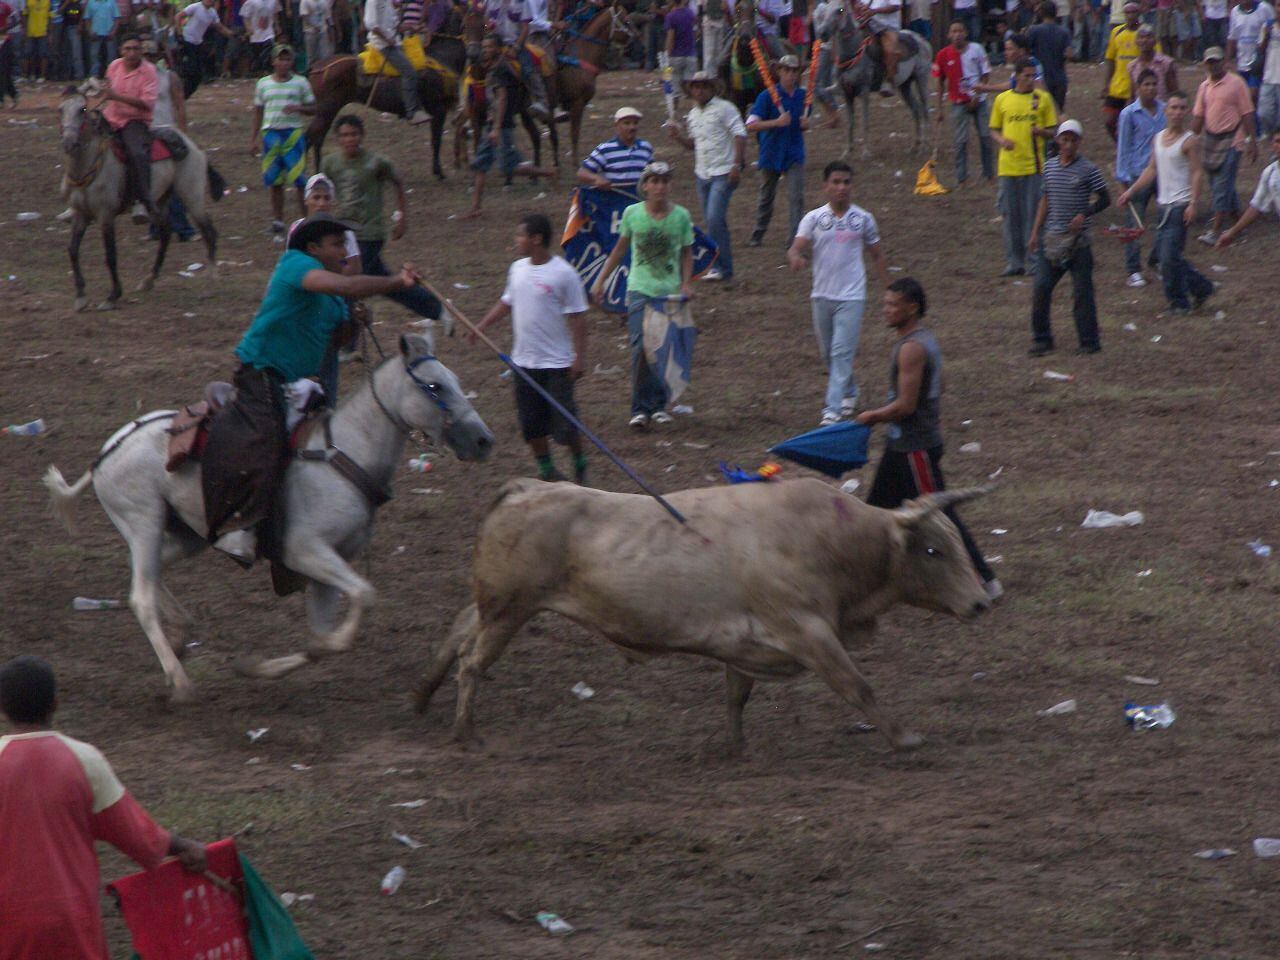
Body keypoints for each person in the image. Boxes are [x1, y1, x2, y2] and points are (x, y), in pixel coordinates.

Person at [202, 214, 421, 562]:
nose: (344, 251)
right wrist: (395, 283)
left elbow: (336, 341)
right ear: (314, 247)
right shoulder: (295, 264)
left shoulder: (332, 298)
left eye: (344, 244)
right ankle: (241, 527)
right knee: (269, 437)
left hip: (297, 382)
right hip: (261, 371)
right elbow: (346, 286)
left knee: (321, 445)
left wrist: (355, 323)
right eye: (336, 244)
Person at [0, 655, 209, 959]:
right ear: (55, 704)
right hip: (70, 921)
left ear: (3, 707)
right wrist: (183, 847)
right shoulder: (84, 760)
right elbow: (139, 837)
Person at [855, 278, 1003, 602]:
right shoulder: (922, 341)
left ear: (912, 307)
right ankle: (863, 580)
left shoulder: (912, 348)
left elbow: (906, 406)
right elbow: (940, 385)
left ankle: (983, 580)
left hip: (915, 449)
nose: (886, 311)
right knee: (874, 514)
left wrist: (873, 416)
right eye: (885, 304)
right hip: (901, 446)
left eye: (893, 305)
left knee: (940, 517)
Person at [471, 213, 590, 483]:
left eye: (520, 235)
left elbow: (579, 318)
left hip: (557, 363)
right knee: (531, 424)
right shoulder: (517, 269)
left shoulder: (563, 274)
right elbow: (507, 302)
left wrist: (579, 359)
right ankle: (547, 469)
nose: (516, 241)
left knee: (565, 425)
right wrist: (482, 326)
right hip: (524, 362)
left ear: (536, 239)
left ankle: (579, 462)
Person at [590, 161, 695, 430]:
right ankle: (639, 408)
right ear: (645, 186)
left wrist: (686, 283)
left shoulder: (681, 216)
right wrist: (601, 280)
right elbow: (619, 249)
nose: (660, 187)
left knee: (662, 349)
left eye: (664, 181)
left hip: (668, 292)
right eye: (654, 181)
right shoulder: (632, 214)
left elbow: (686, 252)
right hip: (639, 289)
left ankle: (658, 405)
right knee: (639, 349)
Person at [321, 114, 445, 327]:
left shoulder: (376, 162)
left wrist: (401, 217)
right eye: (344, 135)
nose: (350, 139)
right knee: (384, 282)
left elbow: (398, 183)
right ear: (338, 139)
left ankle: (349, 339)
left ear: (362, 136)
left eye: (354, 134)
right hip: (345, 233)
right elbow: (324, 193)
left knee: (351, 283)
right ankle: (436, 309)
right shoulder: (330, 163)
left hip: (370, 232)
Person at [788, 160, 888, 426]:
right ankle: (850, 391)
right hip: (821, 295)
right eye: (836, 182)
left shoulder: (863, 219)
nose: (841, 188)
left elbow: (877, 254)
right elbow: (796, 247)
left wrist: (889, 290)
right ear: (825, 186)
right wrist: (796, 256)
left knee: (841, 352)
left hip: (852, 296)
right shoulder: (814, 219)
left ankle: (831, 410)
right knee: (828, 353)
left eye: (846, 182)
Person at [1120, 91, 1215, 311]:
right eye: (1174, 108)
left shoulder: (1189, 141)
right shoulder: (1159, 138)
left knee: (1168, 258)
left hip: (1179, 206)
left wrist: (1193, 202)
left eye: (1182, 108)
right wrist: (1131, 191)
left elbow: (1197, 172)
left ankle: (1179, 303)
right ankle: (1202, 287)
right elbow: (1152, 169)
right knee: (1164, 259)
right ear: (1166, 111)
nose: (1178, 113)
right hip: (1164, 206)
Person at [1027, 119, 1110, 356]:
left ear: (1079, 143)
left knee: (1082, 292)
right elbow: (1045, 200)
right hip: (1052, 238)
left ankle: (1089, 341)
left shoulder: (1089, 169)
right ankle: (1042, 338)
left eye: (1073, 141)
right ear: (1058, 140)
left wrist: (1085, 214)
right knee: (1041, 288)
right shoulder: (1050, 168)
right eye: (1065, 140)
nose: (1068, 145)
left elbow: (1104, 199)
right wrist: (1035, 232)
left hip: (1078, 243)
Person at [462, 33, 556, 219]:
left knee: (508, 167)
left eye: (490, 47)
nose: (486, 50)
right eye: (485, 47)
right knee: (480, 165)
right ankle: (475, 208)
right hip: (494, 125)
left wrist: (496, 127)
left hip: (501, 127)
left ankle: (549, 172)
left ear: (499, 48)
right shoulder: (495, 68)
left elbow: (503, 98)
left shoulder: (500, 70)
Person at [666, 69, 746, 281]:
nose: (699, 91)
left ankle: (722, 268)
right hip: (702, 173)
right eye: (696, 87)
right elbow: (693, 145)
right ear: (691, 90)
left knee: (713, 218)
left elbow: (740, 133)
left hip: (723, 171)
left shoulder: (725, 108)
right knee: (713, 221)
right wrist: (678, 137)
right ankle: (720, 266)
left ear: (712, 88)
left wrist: (736, 164)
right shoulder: (693, 114)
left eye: (703, 86)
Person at [286, 174, 362, 400]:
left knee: (327, 357)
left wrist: (332, 284)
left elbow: (355, 266)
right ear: (307, 201)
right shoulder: (297, 230)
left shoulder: (343, 232)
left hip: (331, 302)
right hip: (306, 301)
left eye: (326, 198)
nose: (321, 202)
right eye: (316, 197)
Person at [990, 60, 1058, 275]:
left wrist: (1042, 132)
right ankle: (1014, 262)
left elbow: (1053, 130)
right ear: (1017, 76)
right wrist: (1002, 141)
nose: (1031, 80)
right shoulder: (1003, 99)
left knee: (1033, 216)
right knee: (1011, 215)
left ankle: (1034, 261)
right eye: (1027, 76)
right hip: (1008, 167)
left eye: (1033, 76)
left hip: (1034, 166)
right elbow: (994, 129)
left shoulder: (1043, 99)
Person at [1192, 46, 1258, 243]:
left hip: (1233, 140)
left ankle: (1215, 230)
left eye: (1217, 61)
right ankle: (1238, 223)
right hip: (1211, 139)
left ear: (1224, 62)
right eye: (1210, 62)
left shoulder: (1236, 84)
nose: (1213, 65)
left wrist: (1251, 141)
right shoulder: (1204, 87)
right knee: (1219, 184)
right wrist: (1188, 138)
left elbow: (1247, 113)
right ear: (1205, 64)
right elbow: (1198, 116)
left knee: (1222, 185)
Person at [746, 53, 808, 247]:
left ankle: (794, 239)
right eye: (787, 70)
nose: (790, 75)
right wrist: (776, 122)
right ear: (779, 71)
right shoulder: (766, 96)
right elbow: (751, 125)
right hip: (771, 152)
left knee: (796, 197)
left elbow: (802, 123)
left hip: (794, 152)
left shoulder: (804, 97)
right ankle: (758, 232)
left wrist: (805, 123)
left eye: (794, 71)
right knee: (766, 196)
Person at [251, 43, 314, 235]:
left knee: (299, 180)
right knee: (274, 180)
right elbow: (258, 111)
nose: (284, 63)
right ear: (273, 61)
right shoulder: (263, 84)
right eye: (280, 59)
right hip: (270, 134)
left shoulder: (301, 83)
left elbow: (314, 108)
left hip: (292, 134)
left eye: (287, 59)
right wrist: (254, 137)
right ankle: (278, 222)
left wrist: (298, 109)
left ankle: (306, 221)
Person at [101, 33, 160, 226]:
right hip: (110, 117)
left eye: (136, 49)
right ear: (121, 51)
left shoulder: (149, 71)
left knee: (137, 153)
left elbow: (147, 104)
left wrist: (116, 97)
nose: (132, 53)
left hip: (134, 121)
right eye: (128, 49)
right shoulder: (113, 66)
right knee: (81, 141)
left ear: (142, 51)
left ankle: (141, 201)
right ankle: (76, 198)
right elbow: (106, 94)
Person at [1114, 68, 1164, 286]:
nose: (1151, 88)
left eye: (1154, 84)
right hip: (1137, 174)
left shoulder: (1164, 110)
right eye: (1147, 84)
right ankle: (1133, 269)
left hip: (1163, 173)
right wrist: (1122, 181)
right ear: (1138, 87)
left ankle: (1158, 261)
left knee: (1166, 220)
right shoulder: (1128, 114)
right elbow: (1123, 147)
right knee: (1134, 222)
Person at [933, 18, 996, 186]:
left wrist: (977, 95)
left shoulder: (977, 49)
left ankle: (989, 174)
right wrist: (939, 108)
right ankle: (962, 178)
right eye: (953, 31)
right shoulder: (943, 55)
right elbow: (939, 81)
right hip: (958, 102)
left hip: (979, 100)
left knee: (985, 136)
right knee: (960, 140)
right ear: (948, 35)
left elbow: (985, 73)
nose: (957, 35)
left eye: (960, 31)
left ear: (966, 33)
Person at [364, 0, 430, 124]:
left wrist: (412, 27)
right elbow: (371, 24)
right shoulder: (374, 1)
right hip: (383, 45)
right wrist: (387, 38)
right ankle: (412, 112)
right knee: (409, 72)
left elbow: (396, 26)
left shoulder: (389, 2)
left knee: (417, 66)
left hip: (396, 43)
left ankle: (404, 106)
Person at [1216, 128, 1280, 243]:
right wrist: (1232, 232)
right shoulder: (1270, 173)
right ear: (1272, 145)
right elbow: (1256, 206)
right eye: (1278, 141)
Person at [578, 105, 654, 191]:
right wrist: (597, 179)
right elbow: (582, 173)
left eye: (635, 123)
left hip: (639, 198)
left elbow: (652, 173)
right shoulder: (605, 149)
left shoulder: (645, 147)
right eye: (627, 123)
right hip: (615, 199)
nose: (632, 127)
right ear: (617, 126)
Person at [1100, 1, 1145, 137]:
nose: (1130, 16)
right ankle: (1123, 147)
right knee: (1110, 123)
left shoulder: (1145, 32)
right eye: (1127, 12)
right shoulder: (1116, 32)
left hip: (1138, 87)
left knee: (1137, 123)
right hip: (1118, 86)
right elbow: (1110, 59)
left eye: (1133, 12)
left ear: (1139, 13)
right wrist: (1106, 84)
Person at [177, 0, 233, 97]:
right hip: (187, 40)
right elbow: (178, 16)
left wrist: (232, 34)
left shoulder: (212, 13)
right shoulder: (195, 7)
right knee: (192, 69)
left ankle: (184, 95)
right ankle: (181, 92)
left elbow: (220, 27)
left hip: (198, 43)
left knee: (197, 74)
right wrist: (179, 33)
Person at [1027, 0, 1071, 108]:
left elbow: (1026, 50)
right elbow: (1069, 54)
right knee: (1058, 112)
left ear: (1041, 13)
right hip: (1059, 78)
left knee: (1037, 110)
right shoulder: (1064, 31)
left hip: (1040, 79)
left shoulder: (1034, 30)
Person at [1228, 0, 1274, 101]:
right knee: (1244, 96)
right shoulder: (1235, 12)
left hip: (1260, 61)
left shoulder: (1264, 8)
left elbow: (1274, 26)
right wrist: (1228, 60)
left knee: (1253, 94)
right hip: (1242, 61)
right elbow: (1232, 37)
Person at [1127, 22, 1177, 100]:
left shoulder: (1165, 63)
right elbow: (1133, 94)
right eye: (1141, 37)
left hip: (1161, 110)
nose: (1145, 40)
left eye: (1149, 37)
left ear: (1155, 41)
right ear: (1136, 41)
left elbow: (1174, 92)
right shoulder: (1132, 66)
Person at [664, 0, 697, 108]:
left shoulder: (670, 16)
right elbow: (696, 30)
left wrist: (667, 55)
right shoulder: (690, 13)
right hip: (690, 54)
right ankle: (695, 109)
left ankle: (673, 112)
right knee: (690, 85)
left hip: (675, 55)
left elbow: (670, 37)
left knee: (673, 85)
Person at [237, 0, 279, 73]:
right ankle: (258, 70)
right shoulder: (251, 2)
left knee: (268, 50)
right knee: (257, 55)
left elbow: (275, 14)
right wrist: (248, 28)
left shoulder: (273, 1)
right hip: (255, 34)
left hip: (269, 32)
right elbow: (245, 16)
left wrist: (277, 25)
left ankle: (266, 70)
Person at [1259, 15, 1280, 135]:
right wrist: (1267, 35)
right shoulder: (1267, 25)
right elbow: (1260, 50)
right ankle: (1271, 136)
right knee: (1264, 113)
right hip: (1269, 76)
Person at [299, 0, 332, 66]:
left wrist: (330, 30)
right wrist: (313, 26)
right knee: (311, 56)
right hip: (310, 31)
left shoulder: (324, 2)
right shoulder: (305, 1)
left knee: (325, 55)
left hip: (323, 30)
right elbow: (304, 17)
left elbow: (327, 16)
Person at [58, 0, 85, 80]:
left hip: (75, 27)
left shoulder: (79, 2)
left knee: (77, 53)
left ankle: (79, 75)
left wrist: (80, 25)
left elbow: (83, 14)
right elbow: (59, 12)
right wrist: (66, 3)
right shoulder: (64, 1)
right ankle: (67, 75)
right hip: (65, 28)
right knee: (66, 53)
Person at [23, 0, 49, 80]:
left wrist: (50, 32)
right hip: (31, 32)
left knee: (43, 54)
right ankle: (27, 75)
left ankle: (42, 76)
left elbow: (50, 17)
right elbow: (25, 15)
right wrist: (25, 30)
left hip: (43, 32)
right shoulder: (29, 1)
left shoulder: (47, 2)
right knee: (28, 54)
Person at [700, 0, 729, 71]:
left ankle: (715, 76)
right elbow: (700, 7)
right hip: (709, 23)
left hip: (719, 22)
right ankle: (709, 77)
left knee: (718, 55)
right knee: (709, 55)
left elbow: (725, 7)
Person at [0, 0, 19, 106]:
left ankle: (6, 96)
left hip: (4, 39)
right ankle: (11, 94)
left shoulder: (4, 5)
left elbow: (15, 19)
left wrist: (5, 28)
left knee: (3, 69)